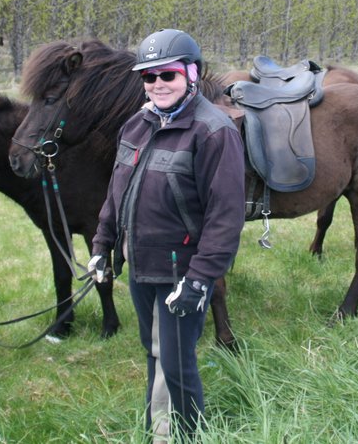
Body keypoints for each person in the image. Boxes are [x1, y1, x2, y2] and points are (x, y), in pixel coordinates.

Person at [88, 28, 246, 442]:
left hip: (183, 271)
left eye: (168, 74)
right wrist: (102, 245)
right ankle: (157, 430)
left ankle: (188, 434)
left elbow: (225, 217)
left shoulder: (214, 132)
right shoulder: (136, 125)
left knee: (176, 363)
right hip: (141, 264)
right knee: (154, 353)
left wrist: (200, 279)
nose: (157, 84)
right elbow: (117, 193)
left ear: (191, 74)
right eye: (149, 76)